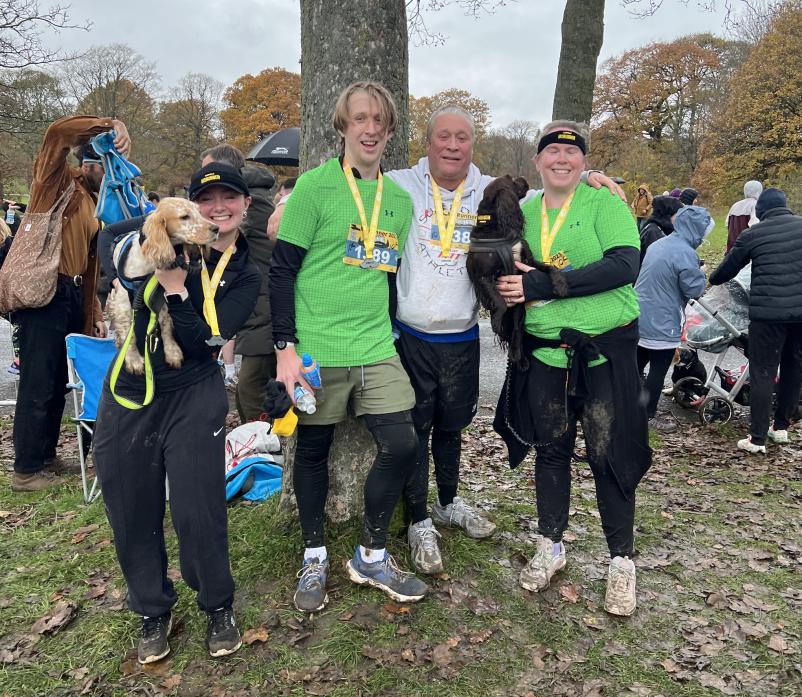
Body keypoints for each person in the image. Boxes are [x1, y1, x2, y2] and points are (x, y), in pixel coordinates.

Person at [267, 105, 625, 576]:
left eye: (462, 138)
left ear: (472, 145)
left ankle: (448, 501)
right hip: (409, 334)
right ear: (427, 142)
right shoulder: (400, 184)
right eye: (443, 137)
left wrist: (590, 172)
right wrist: (286, 206)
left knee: (453, 427)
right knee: (414, 430)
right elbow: (349, 189)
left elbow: (548, 188)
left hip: (463, 333)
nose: (453, 146)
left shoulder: (488, 189)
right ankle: (418, 521)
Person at [270, 80, 428, 612]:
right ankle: (314, 552)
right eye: (359, 119)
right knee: (313, 450)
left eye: (378, 121)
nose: (370, 129)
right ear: (343, 126)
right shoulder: (314, 187)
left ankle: (370, 552)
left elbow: (387, 275)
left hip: (376, 347)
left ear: (388, 131)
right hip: (315, 348)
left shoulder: (400, 201)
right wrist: (284, 348)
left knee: (403, 442)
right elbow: (282, 269)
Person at [93, 162, 260, 663]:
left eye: (229, 198)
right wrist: (136, 260)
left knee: (197, 508)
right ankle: (151, 609)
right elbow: (110, 240)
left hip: (192, 389)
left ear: (245, 206)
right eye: (205, 202)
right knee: (130, 504)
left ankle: (217, 604)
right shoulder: (160, 236)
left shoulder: (245, 276)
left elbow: (203, 343)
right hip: (129, 390)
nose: (216, 210)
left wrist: (176, 288)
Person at [495, 120, 650, 617]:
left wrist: (546, 286)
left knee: (609, 453)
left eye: (573, 152)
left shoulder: (605, 202)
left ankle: (621, 561)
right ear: (537, 161)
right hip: (545, 353)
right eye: (552, 152)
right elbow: (490, 246)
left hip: (604, 352)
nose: (562, 159)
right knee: (552, 450)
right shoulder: (522, 211)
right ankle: (551, 545)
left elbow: (625, 264)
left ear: (584, 162)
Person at [10, 116, 120, 492]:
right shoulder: (54, 185)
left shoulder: (94, 202)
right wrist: (110, 124)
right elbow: (57, 134)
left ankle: (45, 457)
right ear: (87, 165)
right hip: (45, 292)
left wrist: (94, 316)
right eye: (104, 169)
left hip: (71, 293)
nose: (108, 176)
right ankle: (25, 470)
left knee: (59, 382)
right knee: (38, 381)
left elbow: (92, 268)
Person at [709, 187, 802, 454]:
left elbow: (726, 270)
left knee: (763, 371)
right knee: (794, 367)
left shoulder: (754, 234)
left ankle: (757, 438)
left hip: (767, 314)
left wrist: (711, 279)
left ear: (759, 212)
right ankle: (781, 427)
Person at [201, 144, 277, 420]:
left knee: (251, 392)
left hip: (266, 311)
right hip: (256, 311)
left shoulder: (251, 207)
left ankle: (262, 454)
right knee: (253, 392)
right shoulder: (256, 198)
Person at [635, 206, 710, 432]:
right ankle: (647, 416)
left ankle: (623, 407)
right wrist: (702, 273)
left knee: (635, 364)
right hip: (663, 318)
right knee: (658, 369)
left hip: (639, 311)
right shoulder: (685, 253)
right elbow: (694, 288)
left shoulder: (659, 243)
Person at [637, 195, 684, 266]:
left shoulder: (660, 228)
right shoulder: (653, 232)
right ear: (668, 214)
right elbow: (655, 262)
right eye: (677, 214)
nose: (680, 218)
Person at [726, 180, 762, 252]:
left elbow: (727, 224)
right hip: (747, 247)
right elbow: (755, 226)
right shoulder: (756, 205)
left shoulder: (735, 205)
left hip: (733, 246)